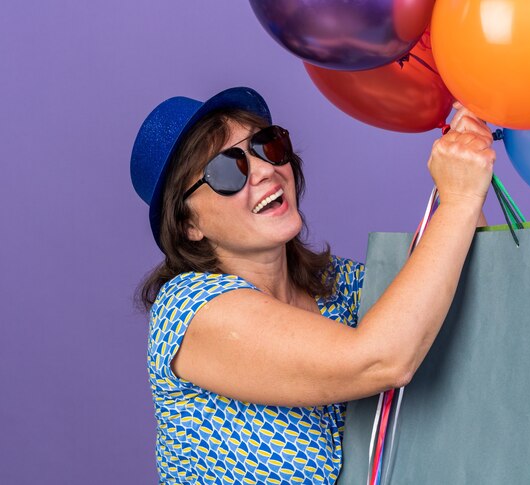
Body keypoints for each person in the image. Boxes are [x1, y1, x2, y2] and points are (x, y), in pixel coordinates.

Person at [130, 87, 494, 484]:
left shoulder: (335, 287)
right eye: (226, 170)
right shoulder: (191, 312)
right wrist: (458, 199)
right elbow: (381, 357)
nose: (266, 170)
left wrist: (466, 160)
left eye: (266, 145)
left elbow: (434, 297)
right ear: (189, 225)